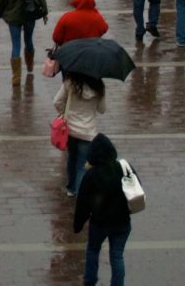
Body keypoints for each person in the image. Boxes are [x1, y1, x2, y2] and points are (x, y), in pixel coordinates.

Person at [73, 133, 133, 286]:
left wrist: (77, 225)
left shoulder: (91, 175)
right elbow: (135, 189)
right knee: (117, 256)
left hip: (100, 224)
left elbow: (83, 204)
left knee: (93, 250)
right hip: (122, 222)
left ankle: (90, 281)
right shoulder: (123, 167)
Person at [53, 72, 106, 196]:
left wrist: (65, 113)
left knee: (72, 158)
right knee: (82, 164)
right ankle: (80, 192)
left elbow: (57, 101)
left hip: (70, 130)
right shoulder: (99, 86)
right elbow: (102, 109)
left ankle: (71, 188)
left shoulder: (70, 82)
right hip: (88, 132)